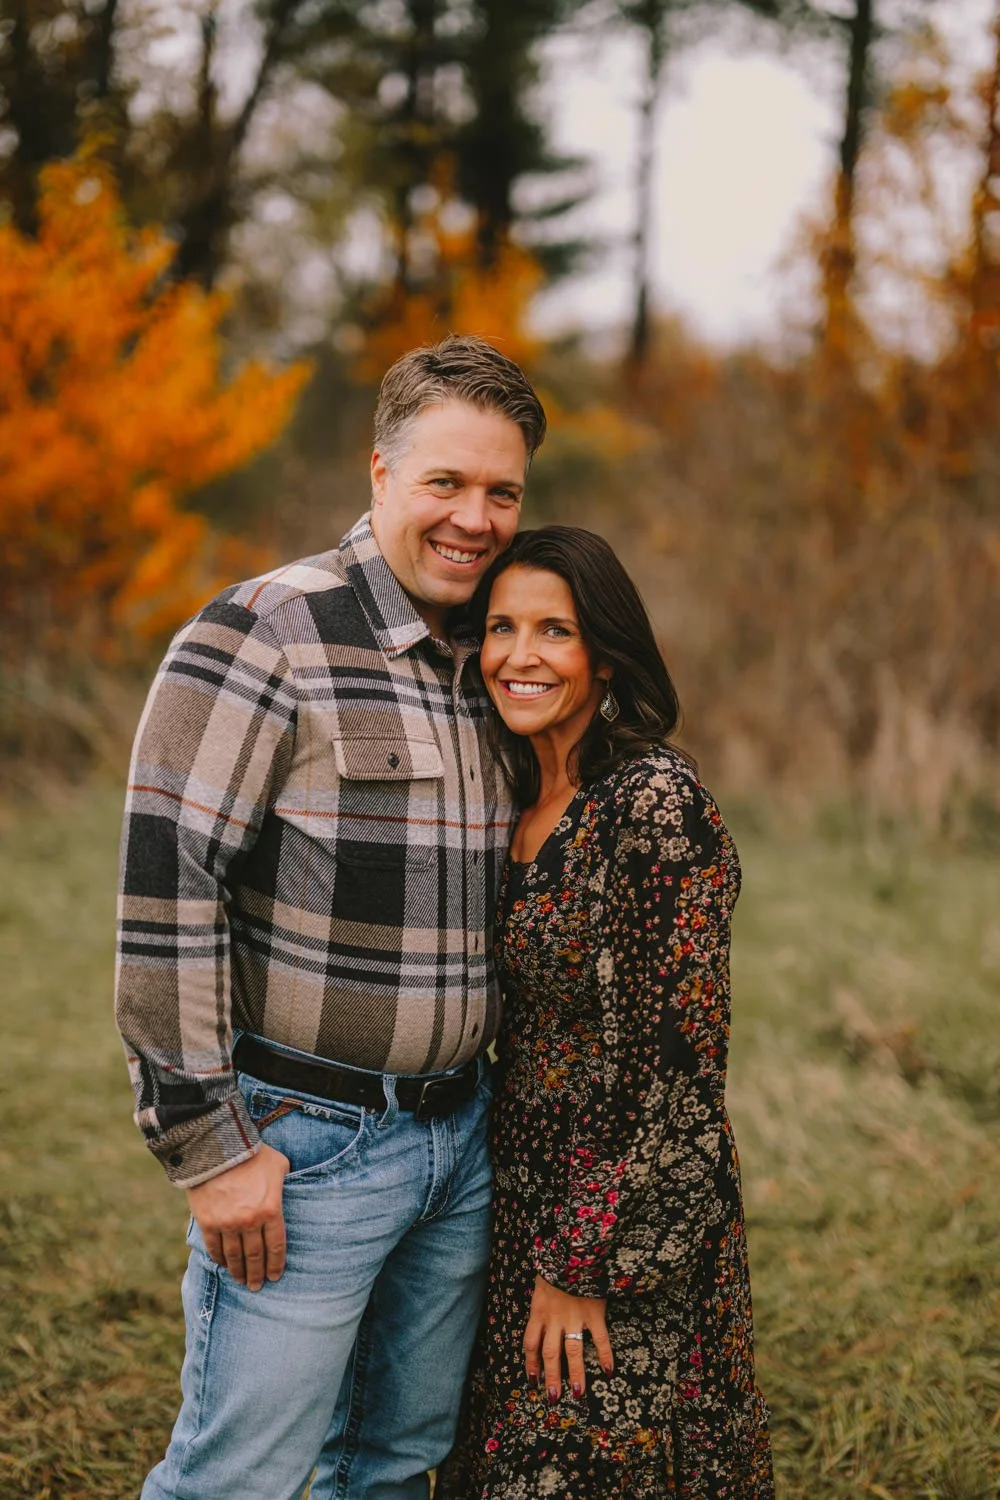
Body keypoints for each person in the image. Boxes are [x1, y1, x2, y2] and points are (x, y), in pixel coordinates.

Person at [114, 334, 547, 1500]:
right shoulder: (267, 629)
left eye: (500, 490)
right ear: (380, 474)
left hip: (460, 1146)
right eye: (445, 483)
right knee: (239, 1477)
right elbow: (168, 889)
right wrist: (210, 1151)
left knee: (395, 1467)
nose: (474, 517)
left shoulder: (492, 659)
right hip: (307, 1149)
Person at [437, 526, 774, 1500]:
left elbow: (673, 1069)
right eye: (501, 628)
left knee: (594, 1461)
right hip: (514, 1185)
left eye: (555, 630)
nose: (518, 655)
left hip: (620, 1213)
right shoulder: (511, 792)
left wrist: (581, 1261)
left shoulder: (653, 806)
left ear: (607, 654)